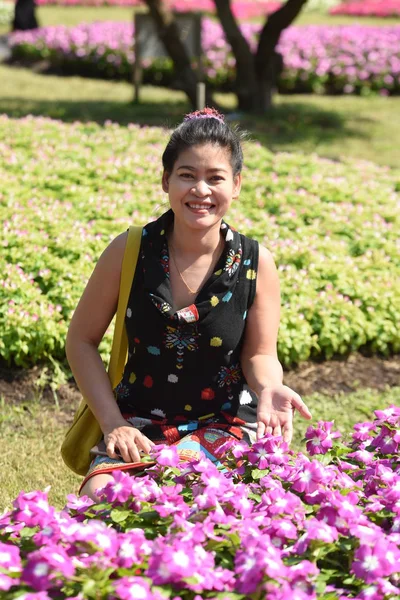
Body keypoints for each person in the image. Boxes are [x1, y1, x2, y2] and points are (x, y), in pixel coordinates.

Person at [66, 107, 312, 501]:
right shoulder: (129, 250)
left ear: (236, 185)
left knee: (200, 502)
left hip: (224, 423)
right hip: (137, 424)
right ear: (166, 181)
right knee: (103, 498)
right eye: (187, 175)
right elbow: (80, 340)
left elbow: (260, 354)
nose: (201, 190)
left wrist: (270, 387)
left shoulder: (255, 262)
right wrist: (112, 423)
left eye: (215, 178)